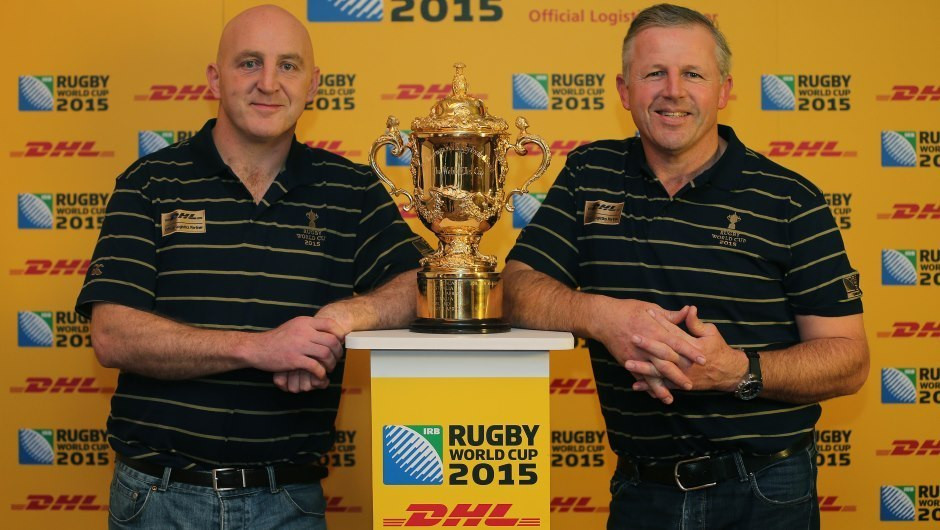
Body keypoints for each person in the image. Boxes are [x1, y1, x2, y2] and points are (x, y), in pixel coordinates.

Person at [502, 4, 868, 529]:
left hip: (766, 493)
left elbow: (849, 359)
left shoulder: (789, 199)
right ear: (624, 91)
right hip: (641, 490)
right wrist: (607, 318)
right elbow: (515, 288)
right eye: (654, 73)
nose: (673, 90)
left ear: (723, 90)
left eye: (692, 73)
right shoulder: (589, 172)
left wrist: (735, 371)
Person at [76, 5, 423, 529]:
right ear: (215, 79)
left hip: (290, 501)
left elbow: (421, 283)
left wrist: (336, 322)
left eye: (288, 65)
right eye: (248, 63)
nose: (268, 82)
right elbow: (113, 335)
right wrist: (258, 348)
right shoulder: (150, 182)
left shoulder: (349, 189)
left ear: (313, 84)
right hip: (158, 499)